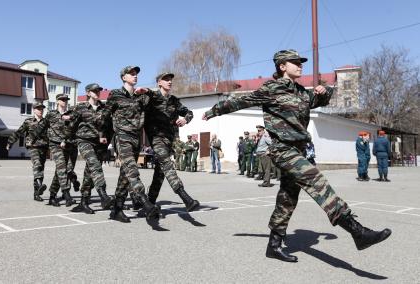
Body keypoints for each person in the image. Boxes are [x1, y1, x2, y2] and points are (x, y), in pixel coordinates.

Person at [202, 49, 391, 262]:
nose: (300, 65)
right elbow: (242, 101)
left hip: (299, 149)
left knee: (288, 198)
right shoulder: (271, 89)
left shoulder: (301, 92)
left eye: (301, 62)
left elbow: (318, 101)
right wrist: (213, 111)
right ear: (282, 66)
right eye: (295, 62)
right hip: (282, 149)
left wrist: (324, 90)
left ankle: (274, 245)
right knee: (316, 181)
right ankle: (358, 231)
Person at [103, 65, 160, 223]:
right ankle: (146, 203)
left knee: (125, 175)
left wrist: (147, 91)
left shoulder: (140, 97)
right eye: (131, 74)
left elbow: (158, 101)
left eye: (136, 74)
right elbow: (105, 116)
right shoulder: (115, 94)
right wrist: (103, 136)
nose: (135, 76)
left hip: (136, 139)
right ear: (123, 77)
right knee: (133, 171)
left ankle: (116, 209)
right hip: (122, 137)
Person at [144, 72, 199, 212]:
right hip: (156, 138)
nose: (169, 82)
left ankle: (149, 203)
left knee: (160, 172)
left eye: (170, 80)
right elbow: (147, 94)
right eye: (166, 79)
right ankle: (185, 197)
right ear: (159, 83)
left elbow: (189, 112)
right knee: (167, 165)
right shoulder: (153, 97)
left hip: (170, 140)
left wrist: (185, 119)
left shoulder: (174, 100)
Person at [64, 83, 113, 214]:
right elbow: (71, 125)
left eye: (99, 91)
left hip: (98, 144)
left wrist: (104, 138)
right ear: (88, 92)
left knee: (89, 174)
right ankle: (103, 195)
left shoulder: (104, 108)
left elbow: (107, 126)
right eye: (94, 91)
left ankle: (83, 202)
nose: (97, 92)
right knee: (95, 165)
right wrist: (66, 140)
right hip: (84, 141)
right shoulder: (80, 108)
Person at [31, 94, 79, 207]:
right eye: (62, 100)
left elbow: (75, 126)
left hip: (68, 144)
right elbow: (42, 126)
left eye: (66, 100)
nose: (64, 102)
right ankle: (67, 195)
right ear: (57, 101)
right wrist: (33, 138)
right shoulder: (51, 114)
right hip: (55, 144)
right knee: (62, 168)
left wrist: (70, 118)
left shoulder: (71, 114)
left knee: (60, 171)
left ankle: (52, 196)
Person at [6, 101, 48, 201]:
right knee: (37, 164)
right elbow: (19, 132)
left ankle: (36, 193)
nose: (40, 110)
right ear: (34, 110)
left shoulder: (46, 122)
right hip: (33, 147)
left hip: (44, 147)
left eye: (42, 109)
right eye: (38, 108)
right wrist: (10, 143)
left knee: (40, 169)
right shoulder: (28, 121)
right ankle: (39, 184)